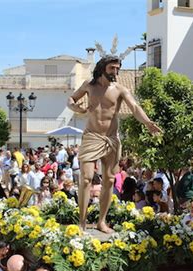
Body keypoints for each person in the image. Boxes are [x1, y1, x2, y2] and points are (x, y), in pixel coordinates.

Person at [67, 54, 161, 233]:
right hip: (92, 136)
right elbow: (71, 99)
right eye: (112, 68)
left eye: (117, 68)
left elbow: (134, 107)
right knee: (86, 178)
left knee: (109, 180)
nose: (115, 71)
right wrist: (75, 107)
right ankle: (82, 222)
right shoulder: (89, 85)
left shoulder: (119, 89)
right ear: (103, 67)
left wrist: (147, 122)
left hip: (111, 138)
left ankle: (102, 221)